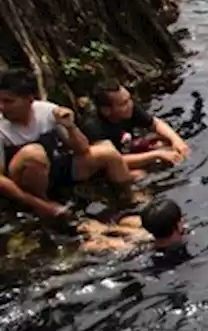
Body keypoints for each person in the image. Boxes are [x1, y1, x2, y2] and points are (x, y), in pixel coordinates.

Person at [0, 69, 133, 219]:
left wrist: (70, 127)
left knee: (108, 152)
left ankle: (130, 198)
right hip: (22, 183)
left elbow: (83, 150)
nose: (2, 107)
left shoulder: (46, 111)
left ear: (29, 99)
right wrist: (42, 205)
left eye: (8, 101)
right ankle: (42, 205)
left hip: (53, 169)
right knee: (34, 153)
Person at [84, 81, 190, 174]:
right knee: (139, 174)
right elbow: (114, 161)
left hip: (127, 146)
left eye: (129, 99)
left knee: (166, 143)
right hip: (112, 165)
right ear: (106, 110)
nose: (130, 104)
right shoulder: (94, 126)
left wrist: (177, 140)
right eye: (124, 103)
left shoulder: (129, 109)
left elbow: (155, 124)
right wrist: (156, 155)